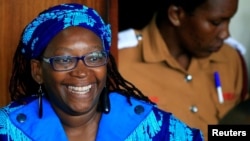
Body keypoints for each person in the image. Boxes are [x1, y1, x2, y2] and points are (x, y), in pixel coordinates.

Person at [0, 3, 204, 141]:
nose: (81, 72)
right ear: (38, 71)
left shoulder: (151, 125)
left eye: (94, 58)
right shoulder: (7, 130)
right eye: (64, 60)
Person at [118, 0, 248, 140]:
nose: (225, 34)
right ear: (176, 15)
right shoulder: (119, 63)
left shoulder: (230, 58)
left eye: (228, 21)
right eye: (215, 23)